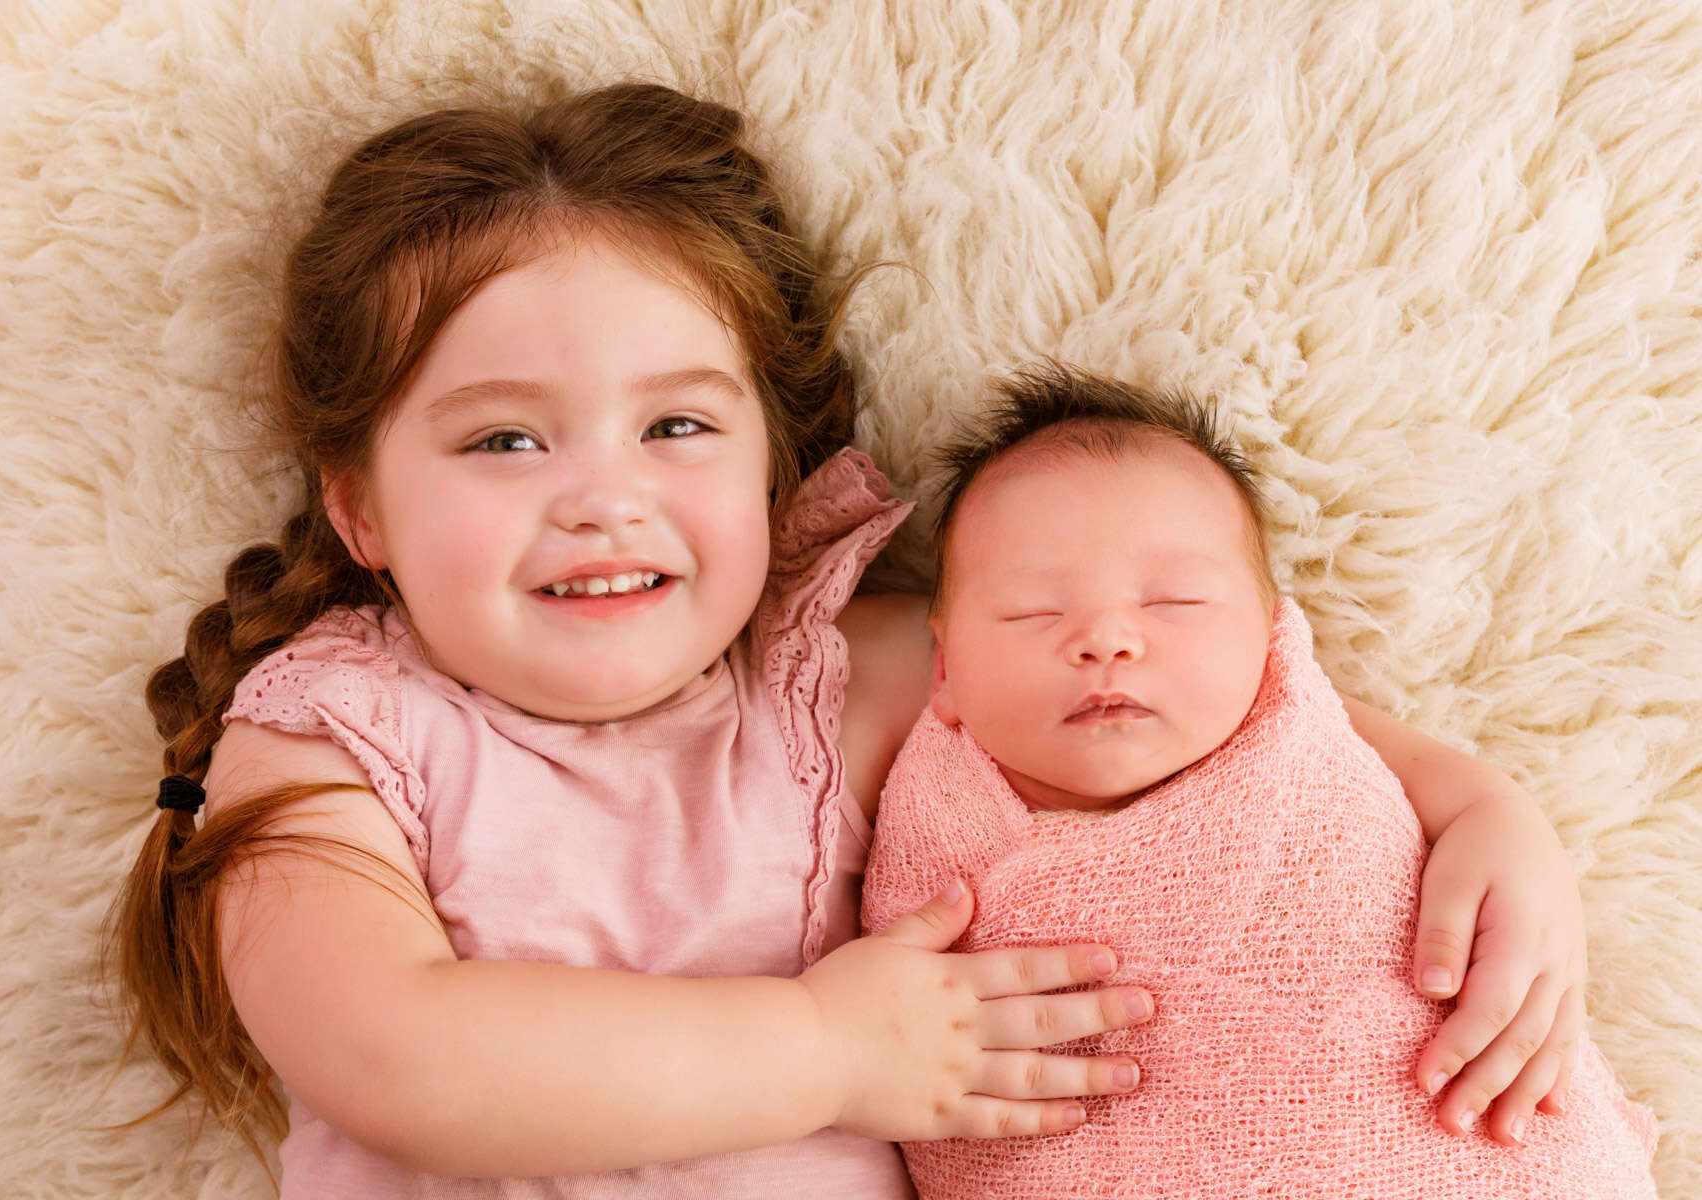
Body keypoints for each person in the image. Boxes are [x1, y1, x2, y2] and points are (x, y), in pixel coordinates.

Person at [108, 84, 1591, 1197]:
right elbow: (397, 1057)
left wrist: (1488, 818)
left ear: (771, 463)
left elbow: (1224, 719)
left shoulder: (847, 676)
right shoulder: (329, 739)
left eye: (677, 424)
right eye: (502, 439)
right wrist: (829, 1052)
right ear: (362, 506)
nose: (602, 503)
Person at [861, 364, 1658, 1198]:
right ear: (945, 666)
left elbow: (1476, 801)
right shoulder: (926, 797)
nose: (1105, 639)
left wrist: (1515, 834)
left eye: (1173, 602)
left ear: (1271, 634)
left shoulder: (1293, 715)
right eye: (1032, 610)